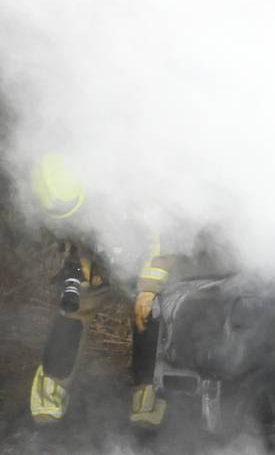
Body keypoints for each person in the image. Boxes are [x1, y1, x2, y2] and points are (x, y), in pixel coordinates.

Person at [27, 153, 175, 427]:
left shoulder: (133, 184)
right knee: (72, 306)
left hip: (145, 258)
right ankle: (49, 396)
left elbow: (164, 237)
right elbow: (72, 232)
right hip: (104, 260)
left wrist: (148, 288)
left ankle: (148, 402)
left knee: (151, 314)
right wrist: (80, 261)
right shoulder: (56, 182)